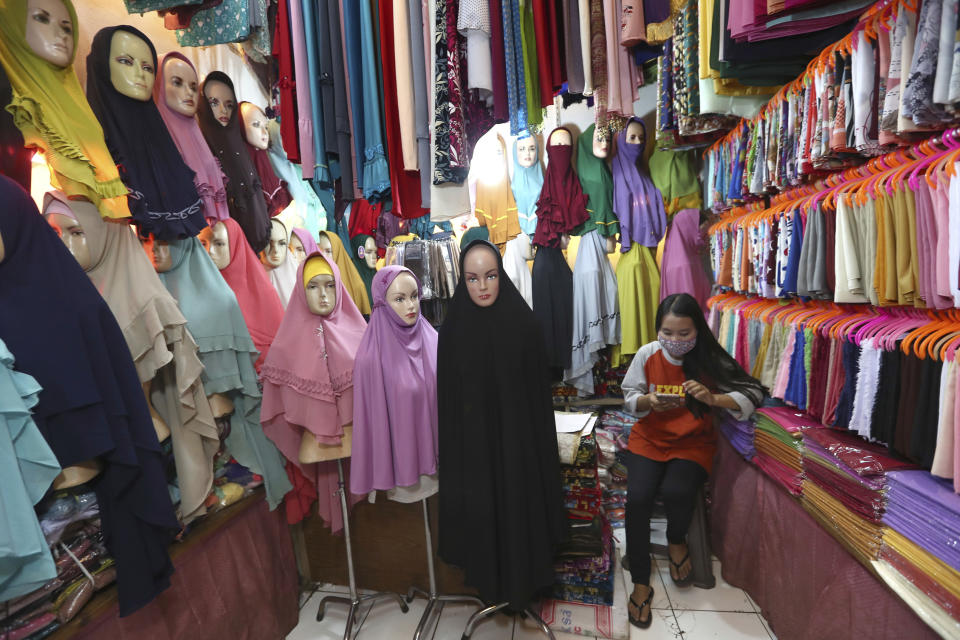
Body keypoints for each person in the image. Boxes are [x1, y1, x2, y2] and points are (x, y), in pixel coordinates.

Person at [621, 293, 765, 628]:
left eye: (684, 333)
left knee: (677, 490)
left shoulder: (709, 358)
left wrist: (713, 397)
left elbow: (754, 392)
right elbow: (628, 399)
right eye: (667, 332)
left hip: (693, 443)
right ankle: (641, 581)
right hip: (650, 439)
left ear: (697, 331)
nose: (674, 341)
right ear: (658, 330)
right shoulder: (647, 354)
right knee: (638, 498)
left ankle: (676, 540)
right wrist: (646, 401)